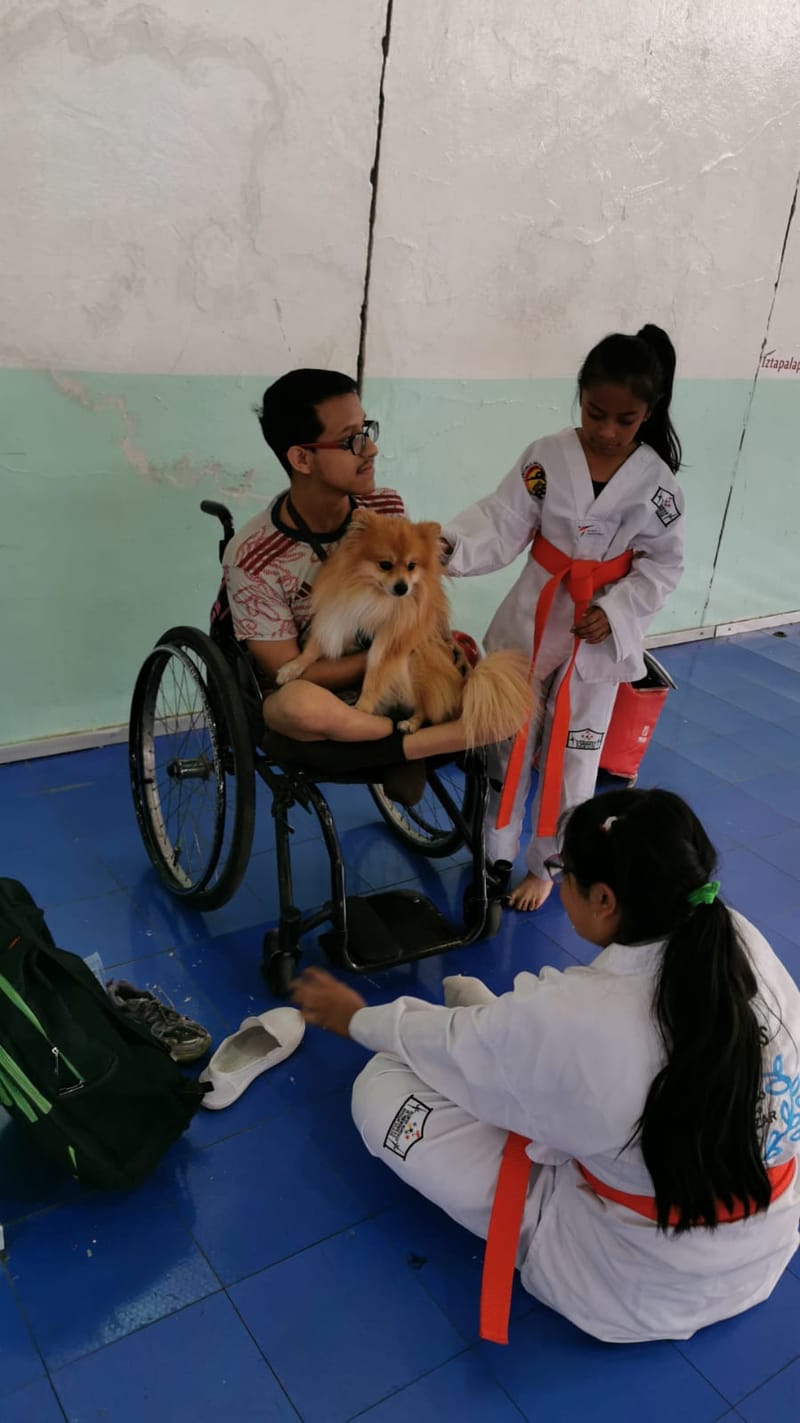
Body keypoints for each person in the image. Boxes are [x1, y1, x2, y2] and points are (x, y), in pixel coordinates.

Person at [291, 788, 800, 1345]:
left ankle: (502, 1051)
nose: (558, 882)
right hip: (761, 1244)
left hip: (632, 1282)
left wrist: (357, 1019)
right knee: (516, 1046)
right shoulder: (735, 937)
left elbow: (455, 1045)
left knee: (380, 1088)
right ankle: (504, 1045)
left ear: (604, 899)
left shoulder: (581, 1023)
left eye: (563, 871)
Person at [440, 325, 685, 910]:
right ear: (579, 396)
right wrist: (445, 546)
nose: (605, 430)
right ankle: (494, 853)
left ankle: (550, 867)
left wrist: (616, 611)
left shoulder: (657, 486)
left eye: (623, 420)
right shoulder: (546, 457)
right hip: (532, 617)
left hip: (594, 640)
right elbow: (502, 522)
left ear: (648, 413)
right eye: (594, 411)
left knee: (574, 758)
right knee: (507, 744)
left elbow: (662, 566)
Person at [220, 369, 476, 800]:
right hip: (325, 698)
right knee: (294, 705)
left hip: (396, 674)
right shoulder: (253, 558)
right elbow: (293, 672)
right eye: (351, 440)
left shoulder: (385, 507)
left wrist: (414, 641)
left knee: (469, 655)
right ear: (302, 459)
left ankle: (397, 745)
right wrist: (389, 650)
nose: (371, 449)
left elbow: (418, 600)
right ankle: (408, 746)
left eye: (367, 431)